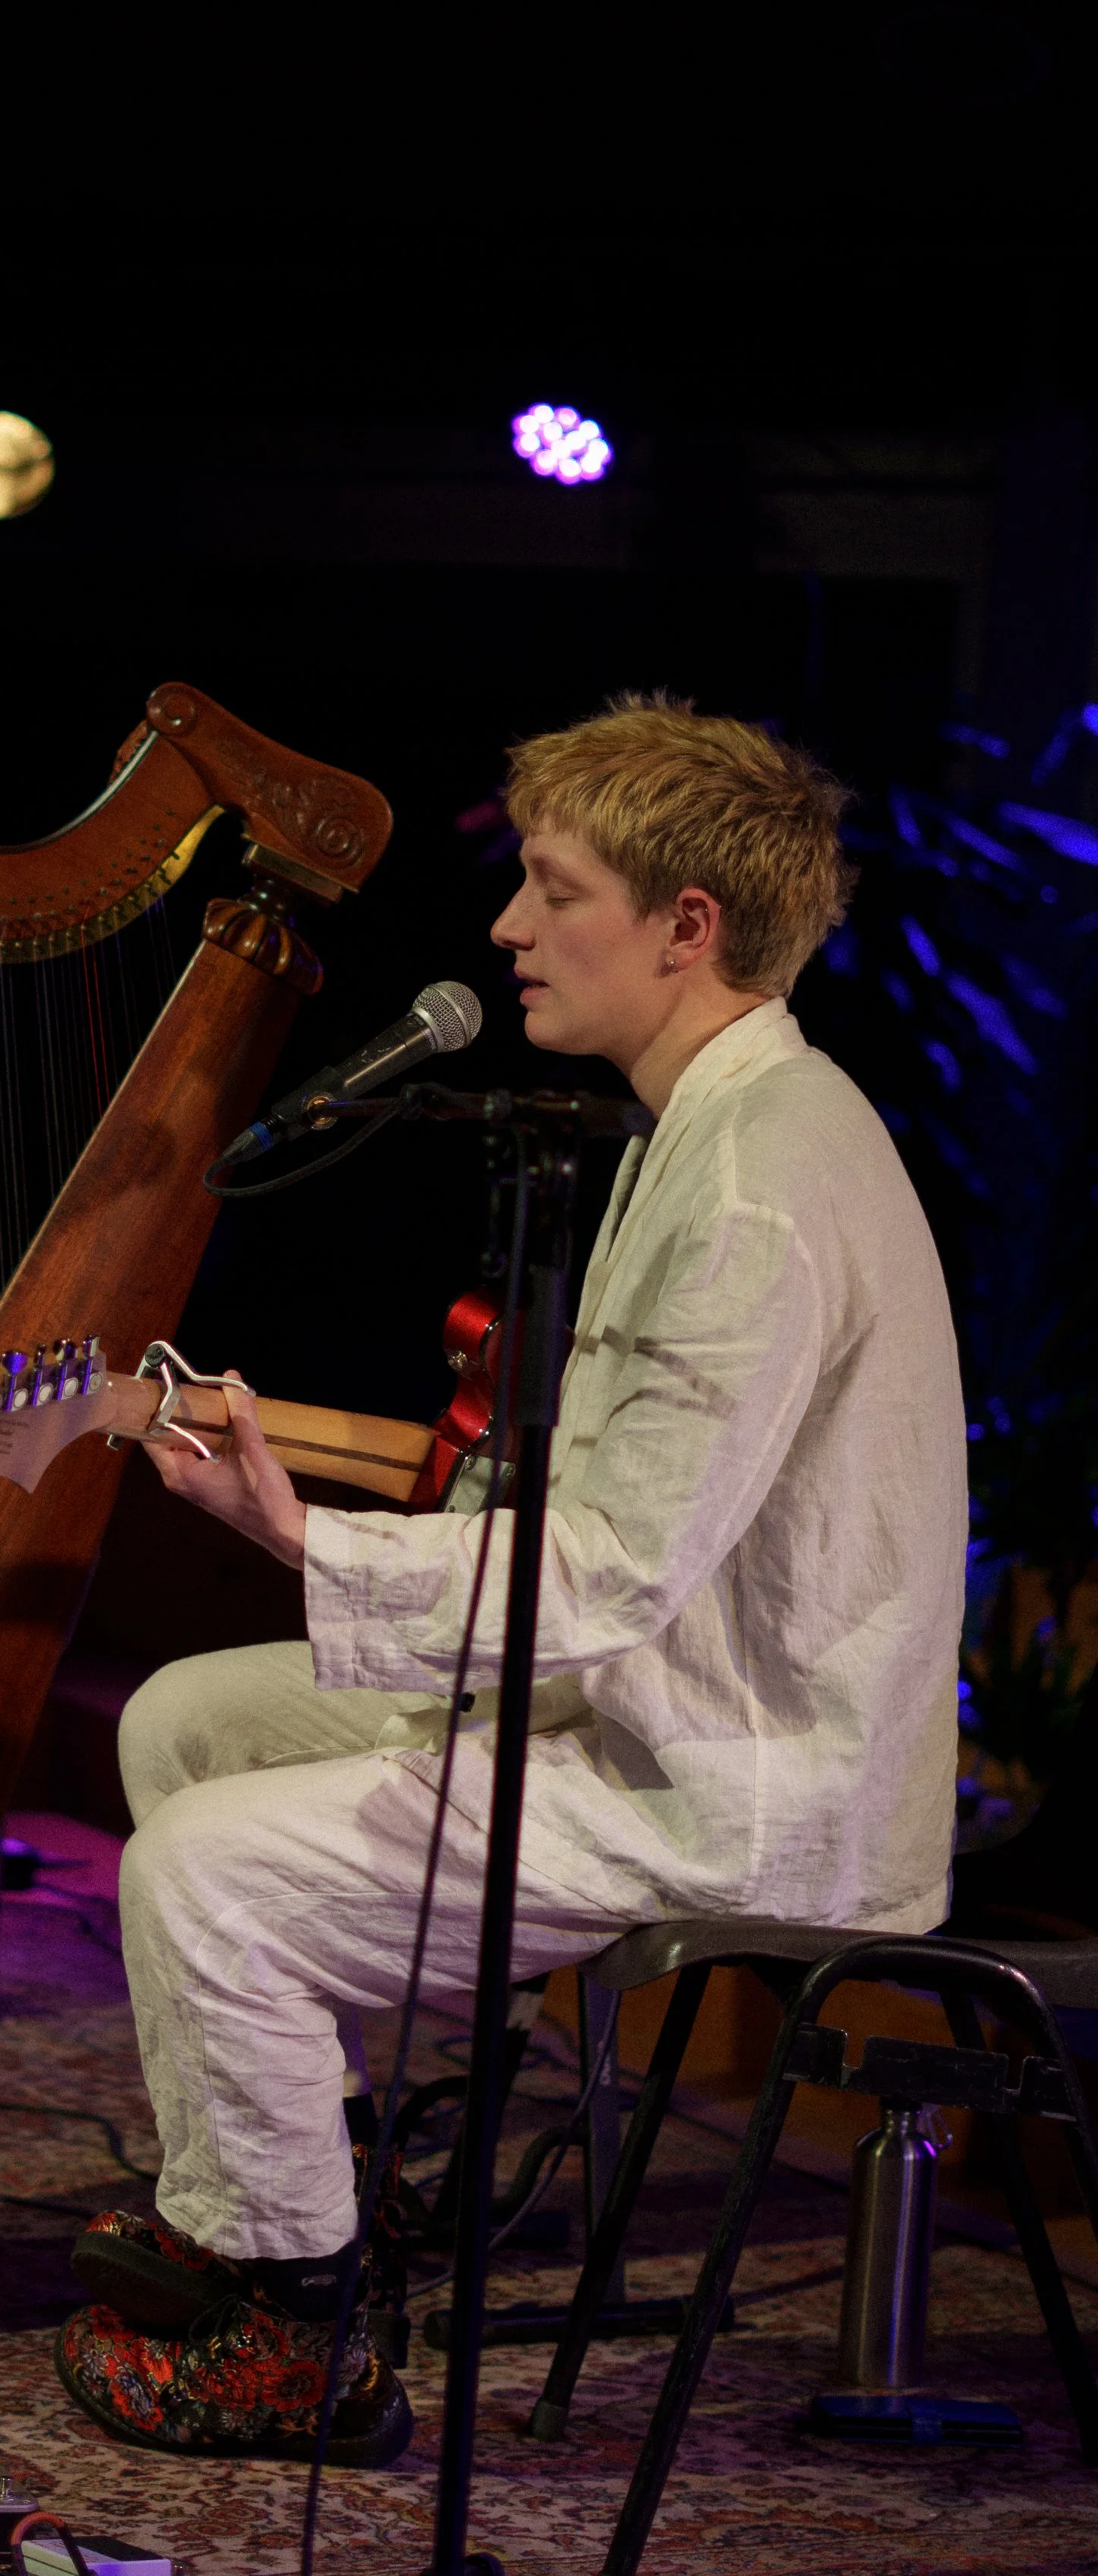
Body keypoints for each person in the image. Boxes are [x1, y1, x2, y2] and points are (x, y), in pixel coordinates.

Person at [53, 695, 966, 2465]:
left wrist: (297, 1533)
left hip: (732, 1768)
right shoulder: (703, 1119)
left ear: (683, 925)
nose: (503, 929)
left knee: (205, 1873)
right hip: (647, 1695)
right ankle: (301, 2207)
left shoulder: (760, 1173)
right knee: (187, 1722)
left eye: (552, 890)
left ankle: (287, 2332)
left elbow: (615, 1568)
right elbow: (621, 1508)